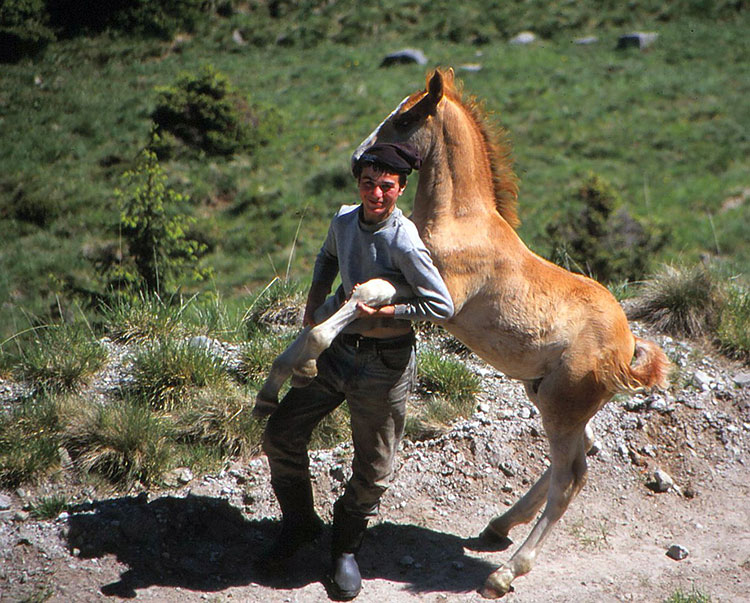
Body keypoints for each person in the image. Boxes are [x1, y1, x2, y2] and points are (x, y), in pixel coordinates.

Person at [259, 142, 454, 600]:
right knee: (281, 434)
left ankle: (344, 547)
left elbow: (441, 305)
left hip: (385, 365)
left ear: (401, 189)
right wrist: (316, 295)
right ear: (359, 184)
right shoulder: (345, 221)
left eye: (386, 186)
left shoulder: (404, 240)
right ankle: (300, 523)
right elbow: (327, 256)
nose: (376, 194)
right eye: (369, 183)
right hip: (335, 353)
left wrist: (387, 313)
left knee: (374, 470)